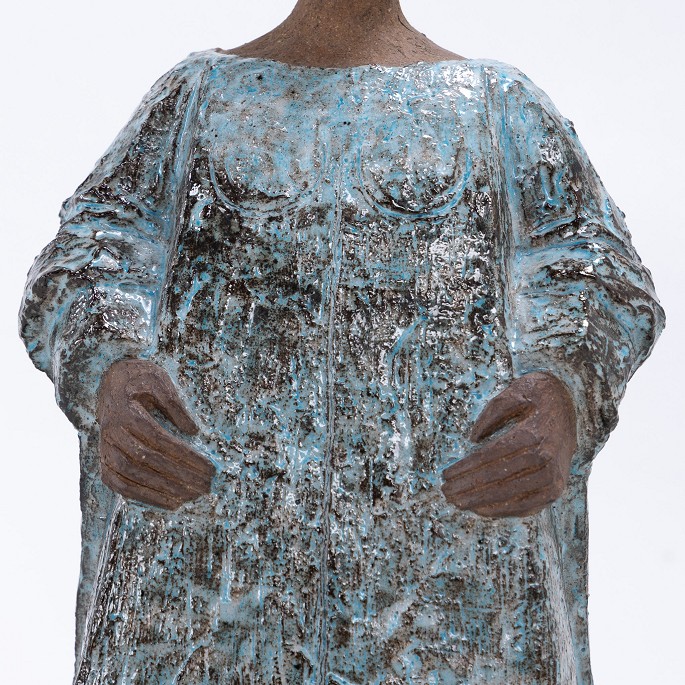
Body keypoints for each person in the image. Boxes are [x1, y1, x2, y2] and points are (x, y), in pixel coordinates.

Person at [19, 1, 664, 683]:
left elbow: (597, 273)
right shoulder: (195, 97)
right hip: (211, 571)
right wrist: (108, 366)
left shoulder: (498, 105)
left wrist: (565, 387)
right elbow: (89, 252)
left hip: (448, 573)